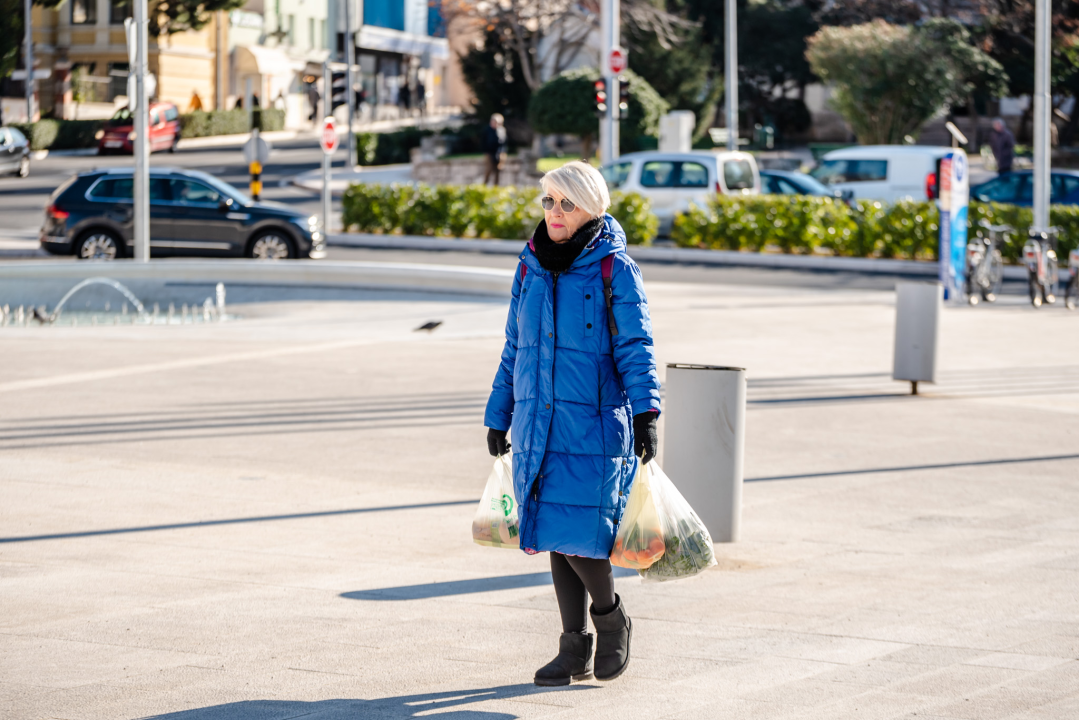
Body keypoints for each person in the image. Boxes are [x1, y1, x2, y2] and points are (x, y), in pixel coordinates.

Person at [484, 161, 661, 687]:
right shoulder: (530, 266)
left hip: (592, 425)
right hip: (538, 423)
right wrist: (498, 413)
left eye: (567, 203)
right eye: (548, 201)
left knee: (580, 534)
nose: (555, 212)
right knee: (554, 531)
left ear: (592, 208)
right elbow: (514, 347)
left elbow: (636, 346)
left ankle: (611, 620)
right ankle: (572, 648)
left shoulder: (614, 268)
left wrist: (647, 412)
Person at [482, 113, 507, 185]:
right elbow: (483, 142)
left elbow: (504, 142)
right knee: (489, 169)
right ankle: (485, 184)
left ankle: (496, 186)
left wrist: (503, 152)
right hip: (489, 152)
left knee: (498, 170)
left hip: (499, 152)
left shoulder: (502, 130)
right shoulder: (487, 130)